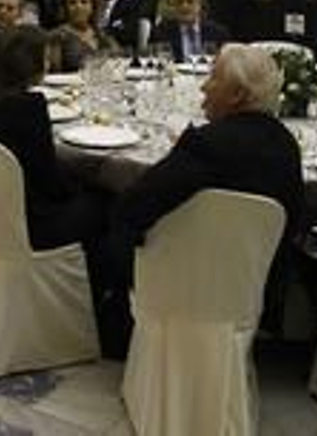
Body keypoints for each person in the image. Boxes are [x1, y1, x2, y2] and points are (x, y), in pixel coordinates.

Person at [108, 45, 304, 354]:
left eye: (212, 78)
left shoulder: (207, 145)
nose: (202, 86)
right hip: (251, 288)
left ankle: (118, 334)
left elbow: (134, 205)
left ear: (237, 95)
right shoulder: (287, 145)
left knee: (111, 221)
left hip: (186, 286)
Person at [0, 27, 114, 329]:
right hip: (33, 224)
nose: (48, 66)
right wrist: (87, 183)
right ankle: (101, 310)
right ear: (31, 64)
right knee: (111, 201)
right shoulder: (28, 107)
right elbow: (51, 185)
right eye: (46, 60)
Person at [151, 0, 231, 63]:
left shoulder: (218, 33)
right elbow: (152, 62)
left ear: (199, 5)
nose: (184, 6)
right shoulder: (161, 32)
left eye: (190, 1)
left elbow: (228, 63)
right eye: (179, 2)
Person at [49, 0, 119, 71]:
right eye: (72, 3)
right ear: (65, 8)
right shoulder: (57, 36)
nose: (78, 6)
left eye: (84, 2)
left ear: (93, 7)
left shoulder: (102, 34)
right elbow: (54, 73)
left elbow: (118, 59)